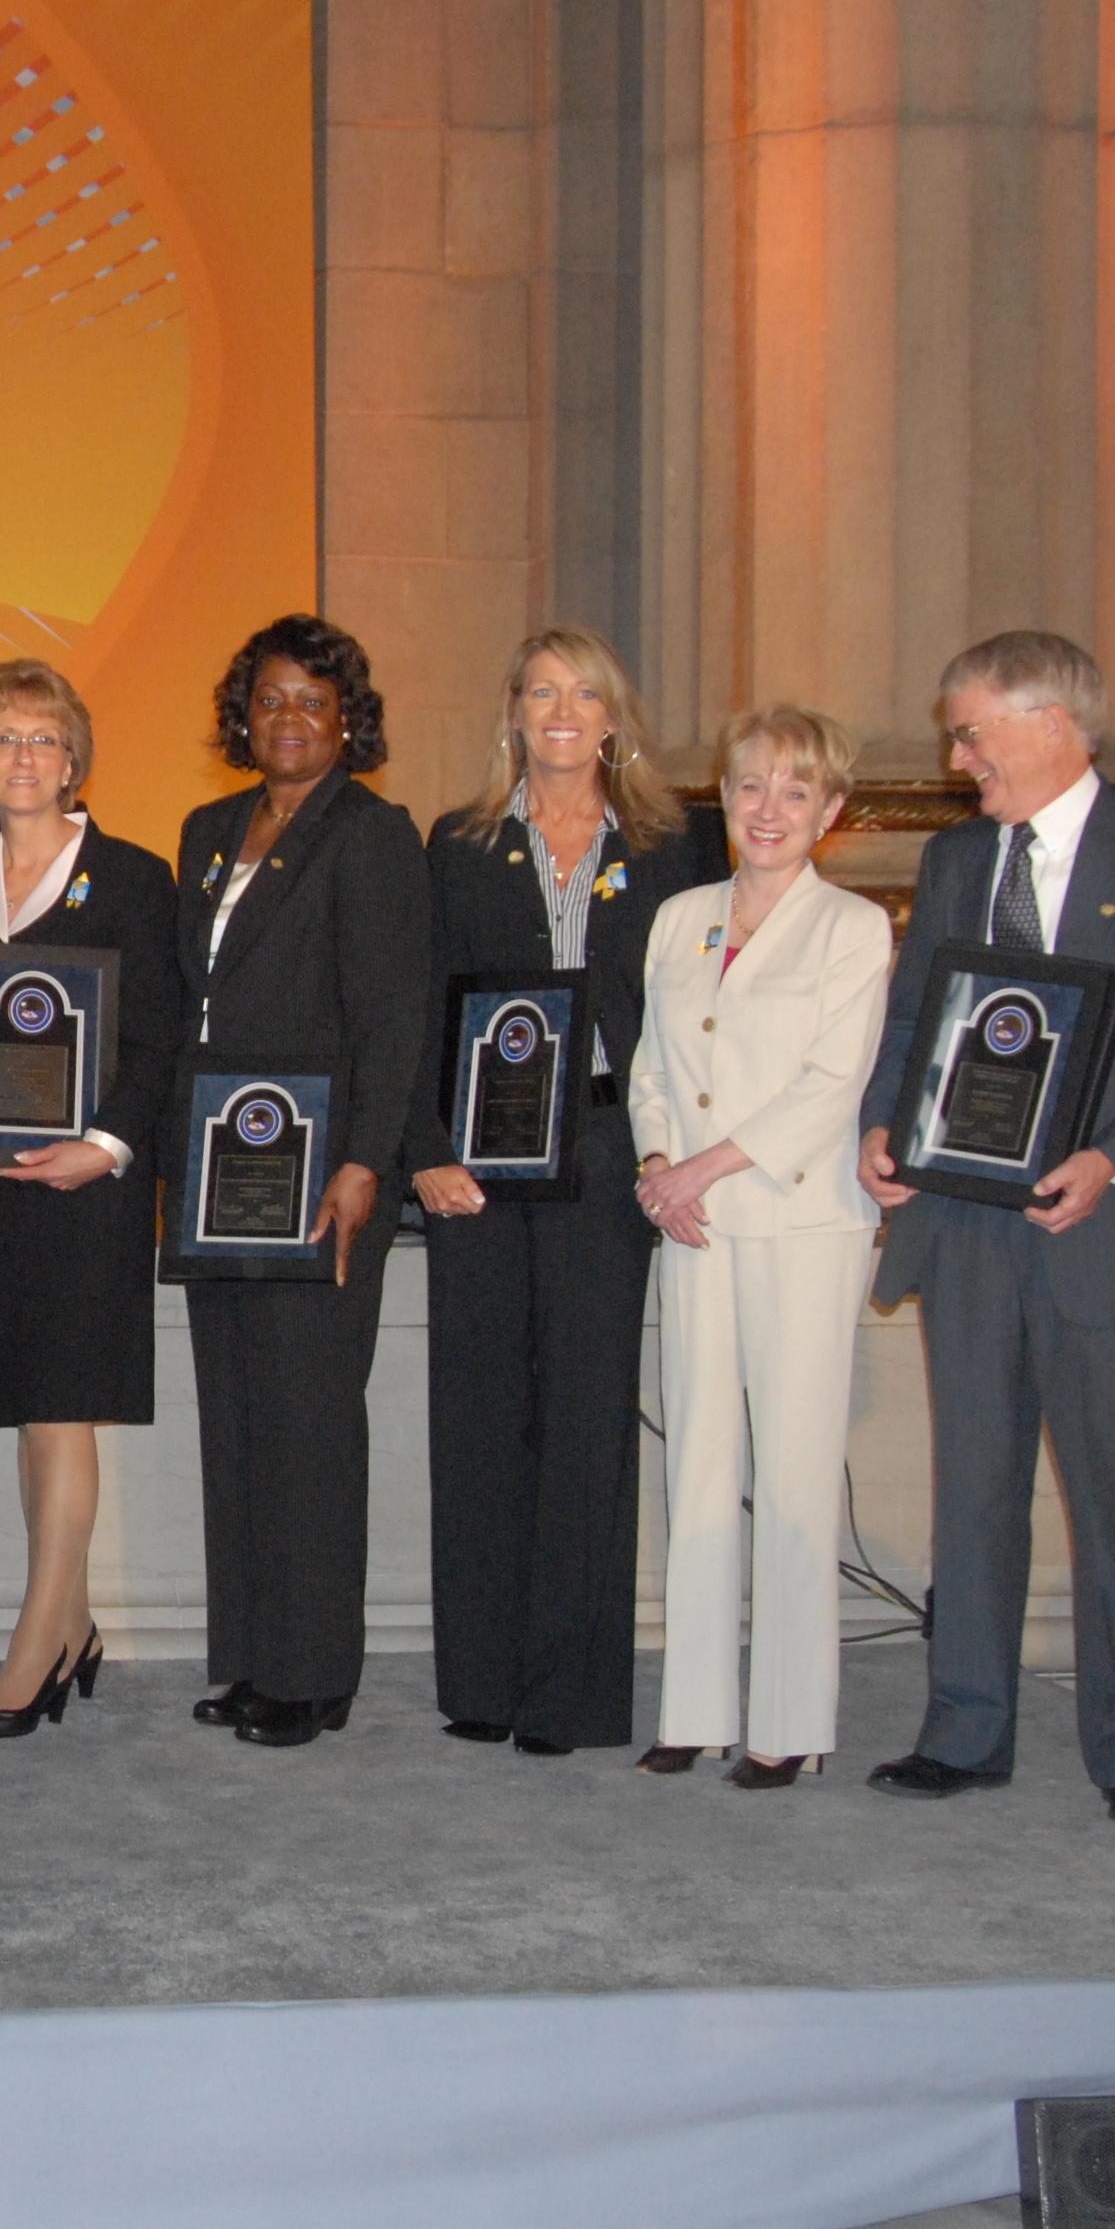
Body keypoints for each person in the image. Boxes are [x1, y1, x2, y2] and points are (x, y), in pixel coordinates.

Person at [859, 630, 1115, 1823]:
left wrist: (1108, 1159)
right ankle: (964, 1728)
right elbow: (913, 1017)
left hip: (1106, 1230)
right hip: (970, 1226)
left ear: (1049, 723)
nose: (956, 753)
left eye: (972, 729)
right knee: (971, 1492)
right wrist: (885, 1136)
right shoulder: (952, 860)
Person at [403, 629, 709, 1758]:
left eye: (584, 692)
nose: (562, 710)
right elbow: (417, 1009)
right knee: (478, 1416)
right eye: (541, 691)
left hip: (607, 1153)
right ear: (512, 714)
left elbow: (695, 1017)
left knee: (586, 1421)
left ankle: (571, 1694)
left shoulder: (675, 847)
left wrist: (680, 1151)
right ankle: (481, 1683)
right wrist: (421, 1148)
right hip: (477, 1162)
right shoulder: (460, 843)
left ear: (613, 715)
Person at [172, 615, 431, 1750]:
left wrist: (367, 1159)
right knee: (235, 1412)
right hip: (222, 1168)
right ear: (243, 714)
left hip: (321, 1172)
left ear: (346, 722)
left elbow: (392, 1018)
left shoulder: (371, 838)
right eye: (269, 699)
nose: (287, 719)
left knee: (309, 1417)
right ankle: (250, 1655)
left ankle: (314, 1669)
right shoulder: (206, 829)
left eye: (310, 703)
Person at [630, 706, 893, 1788]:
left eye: (794, 791)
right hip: (688, 1224)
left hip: (796, 1220)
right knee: (693, 1462)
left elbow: (829, 1088)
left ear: (828, 811)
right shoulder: (678, 916)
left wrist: (702, 1167)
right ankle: (693, 1707)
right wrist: (655, 1168)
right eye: (748, 787)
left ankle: (788, 1722)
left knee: (787, 1475)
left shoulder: (853, 928)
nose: (767, 810)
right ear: (722, 799)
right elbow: (648, 1063)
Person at [0, 659, 180, 1735]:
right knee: (31, 1409)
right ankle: (73, 1622)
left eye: (41, 738)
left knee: (63, 1402)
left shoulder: (130, 875)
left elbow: (160, 1034)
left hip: (87, 1187)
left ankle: (35, 1641)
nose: (22, 757)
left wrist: (109, 1144)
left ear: (72, 758)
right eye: (1, 739)